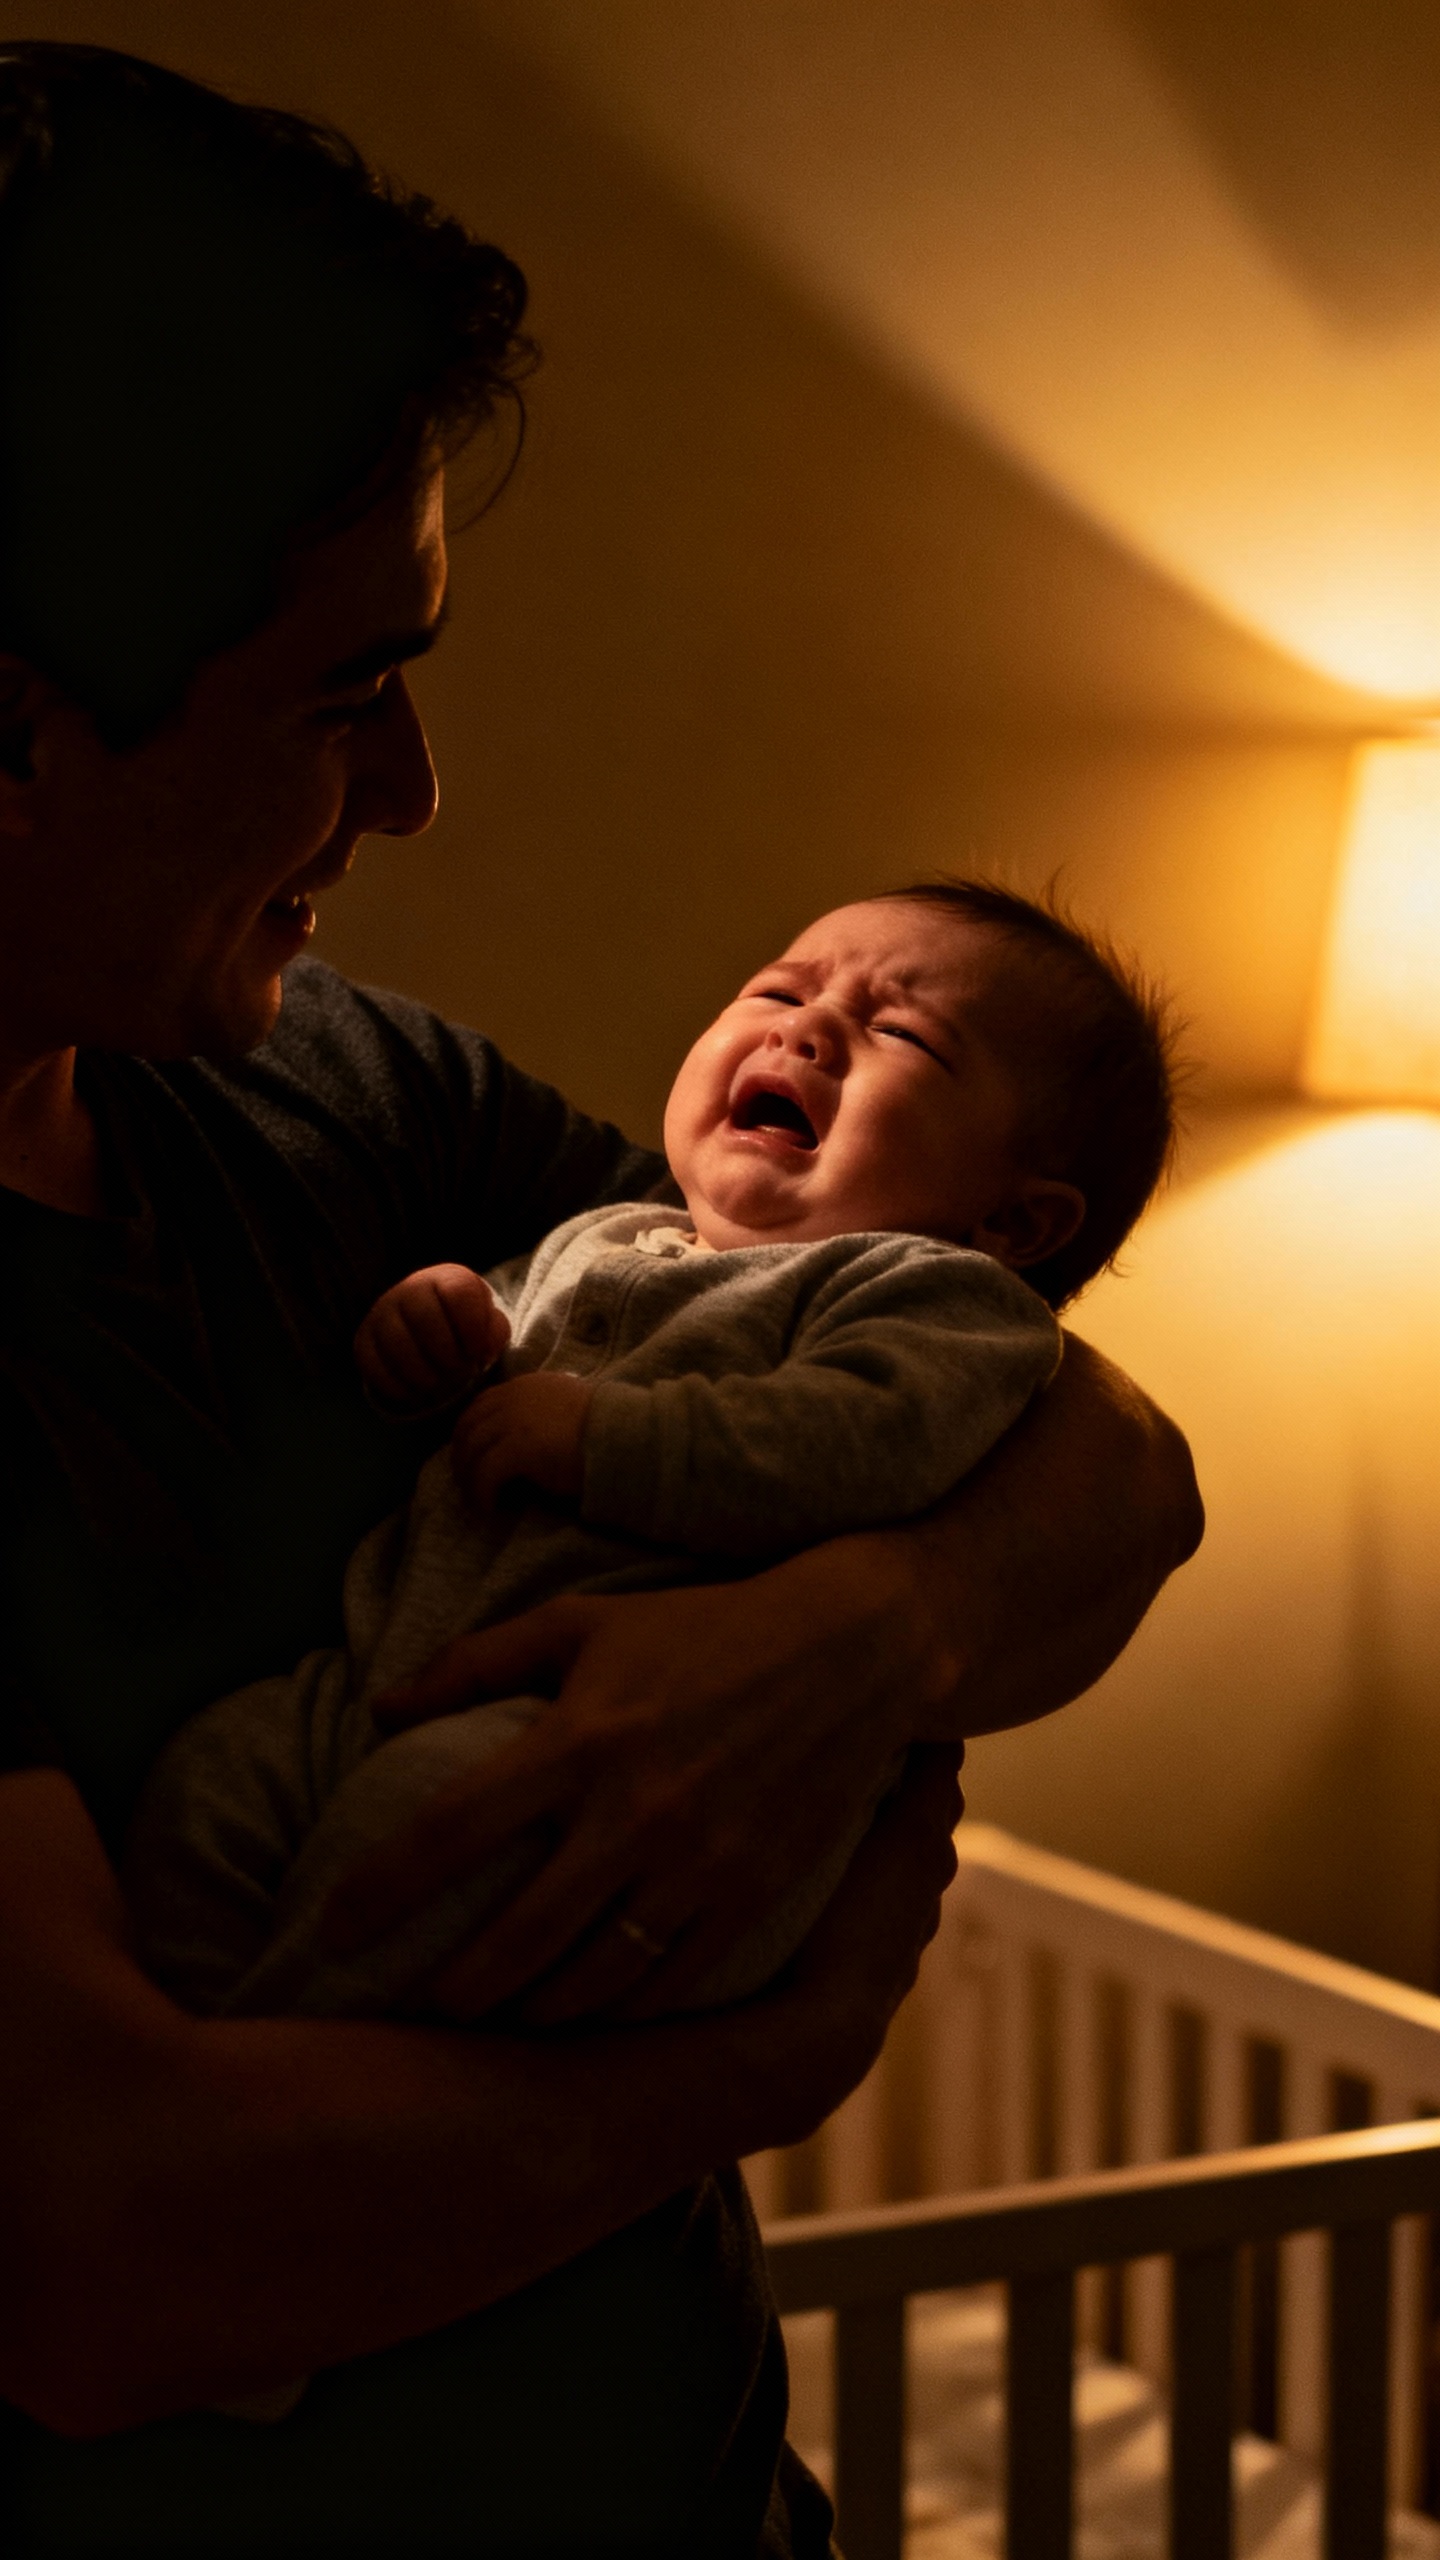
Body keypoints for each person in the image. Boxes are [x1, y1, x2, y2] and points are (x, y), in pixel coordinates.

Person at [0, 41, 1203, 2558]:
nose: (417, 792)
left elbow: (1094, 1453)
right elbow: (107, 2251)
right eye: (343, 692)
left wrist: (860, 1631)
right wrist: (763, 2044)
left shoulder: (350, 1093)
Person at [127, 880, 1176, 2044]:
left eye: (903, 1034)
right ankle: (197, 2061)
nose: (805, 1027)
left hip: (596, 1765)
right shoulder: (609, 1238)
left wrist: (600, 1438)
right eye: (777, 989)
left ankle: (273, 2086)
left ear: (1015, 1225)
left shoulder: (936, 1301)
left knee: (419, 1838)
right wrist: (439, 1349)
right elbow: (488, 1414)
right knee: (207, 1791)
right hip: (384, 1677)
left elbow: (854, 1442)